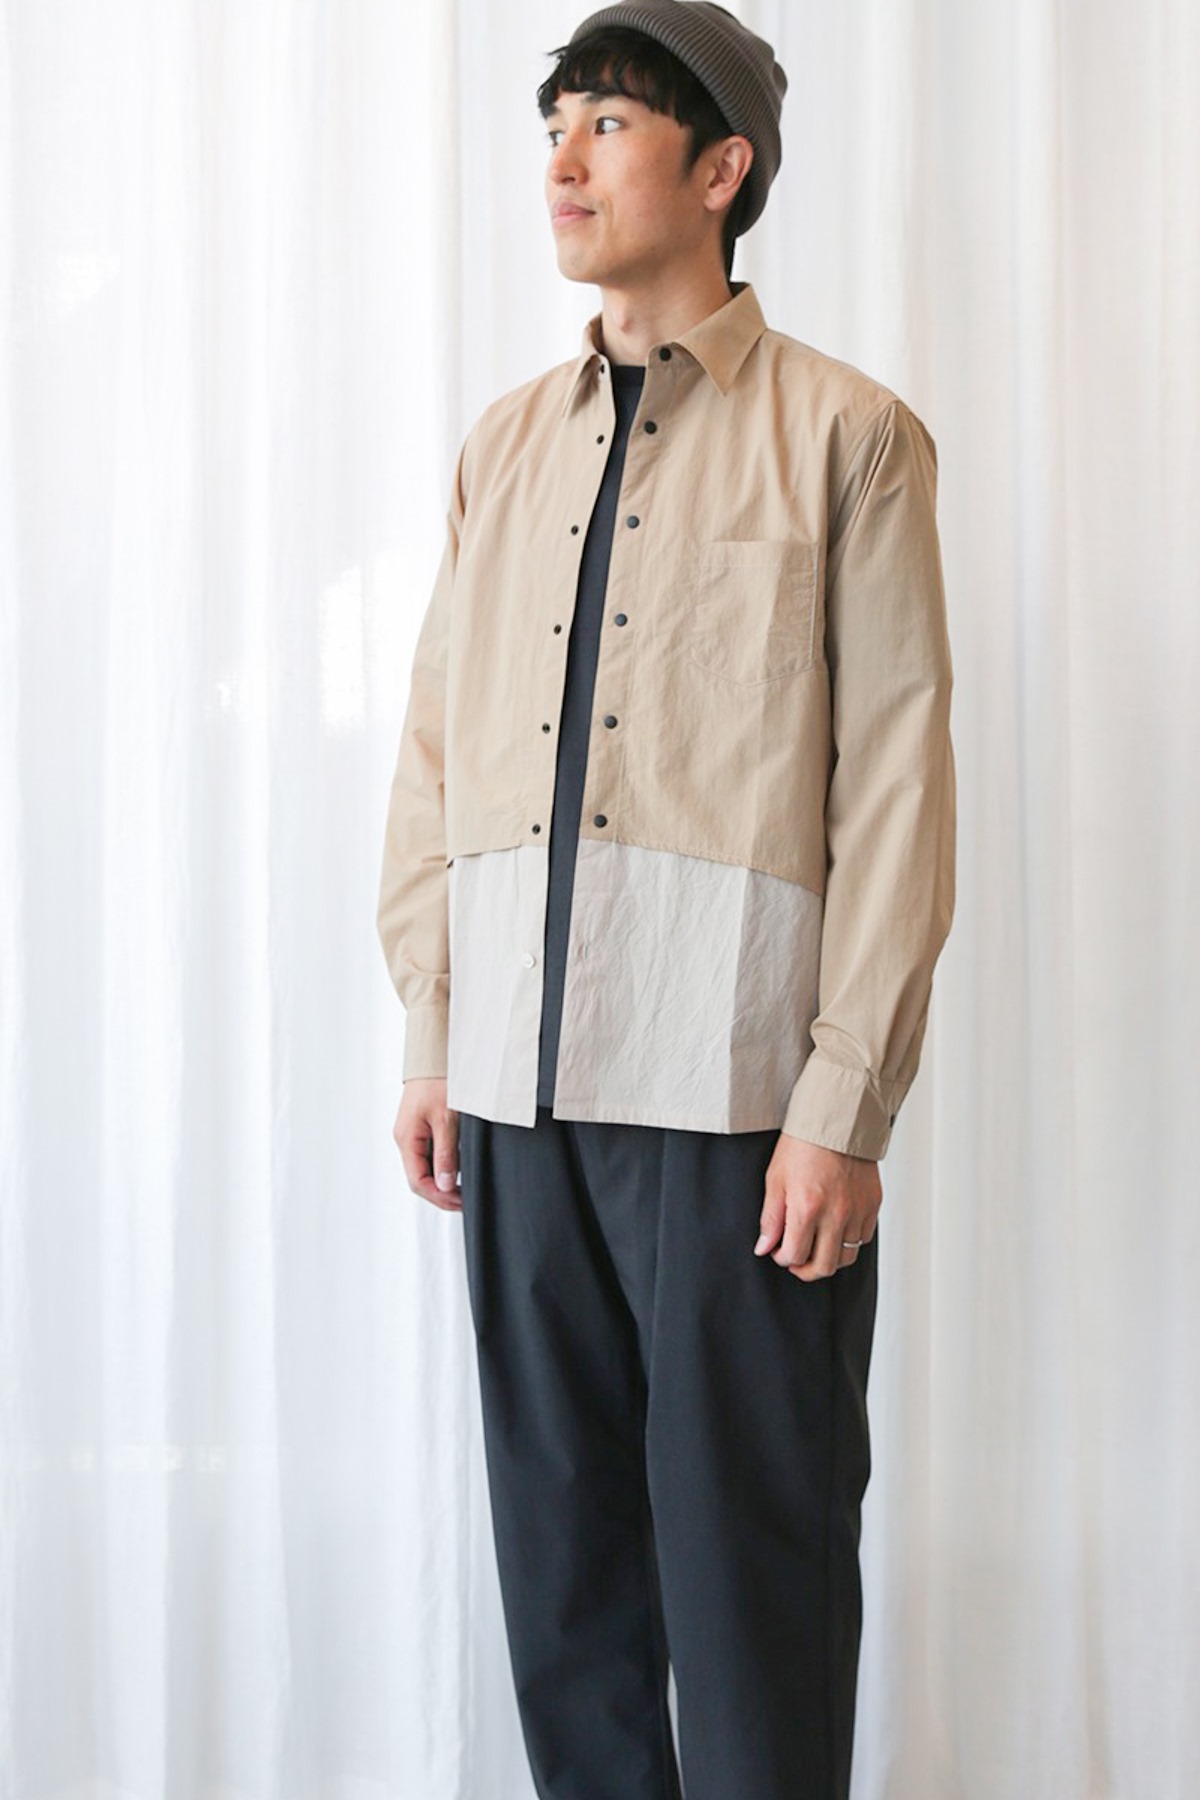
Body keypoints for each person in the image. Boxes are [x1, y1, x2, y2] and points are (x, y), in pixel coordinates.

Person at [376, 4, 956, 1796]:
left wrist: (842, 1104)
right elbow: (436, 752)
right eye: (554, 123)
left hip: (735, 1111)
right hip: (516, 1101)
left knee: (752, 1587)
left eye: (608, 124)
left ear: (723, 169)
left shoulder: (851, 437)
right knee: (568, 1595)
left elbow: (897, 788)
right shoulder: (501, 449)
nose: (562, 159)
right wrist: (435, 1026)